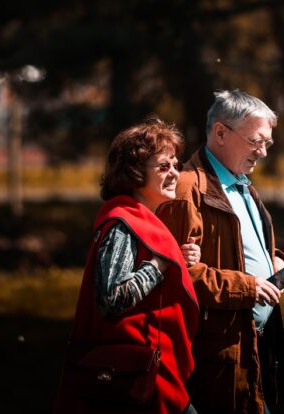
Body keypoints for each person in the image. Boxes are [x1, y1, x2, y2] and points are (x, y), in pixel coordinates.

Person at [156, 90, 284, 413]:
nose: (262, 152)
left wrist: (276, 260)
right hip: (217, 354)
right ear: (220, 132)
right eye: (255, 141)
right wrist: (248, 286)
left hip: (252, 346)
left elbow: (245, 243)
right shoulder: (187, 187)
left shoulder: (241, 181)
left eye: (267, 144)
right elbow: (177, 273)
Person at [54, 117, 201, 414]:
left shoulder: (139, 219)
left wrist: (176, 262)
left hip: (145, 370)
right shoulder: (123, 222)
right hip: (134, 375)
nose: (174, 173)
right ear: (134, 173)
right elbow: (111, 299)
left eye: (176, 164)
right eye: (163, 166)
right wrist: (160, 265)